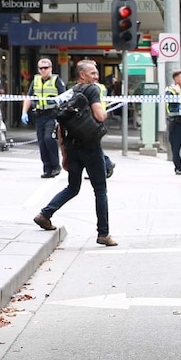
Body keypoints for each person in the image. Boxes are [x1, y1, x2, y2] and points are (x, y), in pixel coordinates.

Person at [33, 59, 117, 246]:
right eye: (93, 73)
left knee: (73, 187)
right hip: (91, 147)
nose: (96, 76)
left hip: (72, 147)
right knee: (100, 190)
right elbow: (99, 115)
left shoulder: (71, 92)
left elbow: (61, 126)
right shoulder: (92, 90)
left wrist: (64, 154)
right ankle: (103, 234)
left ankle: (45, 214)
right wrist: (106, 111)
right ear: (82, 74)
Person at [21, 58, 66, 178]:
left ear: (51, 68)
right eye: (41, 68)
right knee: (41, 142)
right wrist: (24, 112)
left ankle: (55, 166)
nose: (43, 70)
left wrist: (57, 102)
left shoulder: (56, 80)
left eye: (46, 68)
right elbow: (29, 97)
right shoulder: (35, 80)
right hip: (40, 115)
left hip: (52, 115)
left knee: (48, 139)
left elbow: (65, 97)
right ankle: (47, 168)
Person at [97, 81, 116, 179]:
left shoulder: (93, 87)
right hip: (99, 116)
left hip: (93, 118)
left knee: (93, 146)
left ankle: (107, 164)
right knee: (93, 146)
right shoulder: (102, 86)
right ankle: (104, 166)